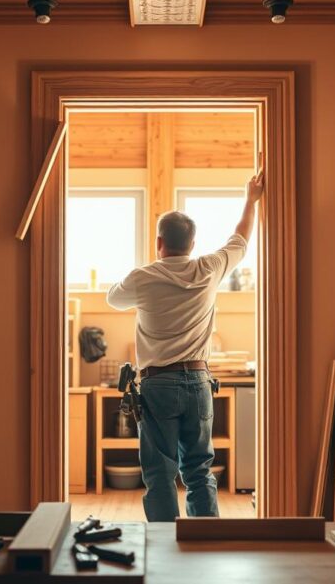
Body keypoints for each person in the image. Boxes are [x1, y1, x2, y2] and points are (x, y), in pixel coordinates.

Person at [106, 171, 265, 521]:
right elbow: (240, 239)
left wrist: (138, 275)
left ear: (159, 243)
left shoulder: (143, 277)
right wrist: (250, 199)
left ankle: (164, 550)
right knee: (199, 469)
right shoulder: (210, 267)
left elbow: (113, 298)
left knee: (160, 472)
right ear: (192, 245)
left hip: (158, 384)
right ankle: (205, 544)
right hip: (198, 382)